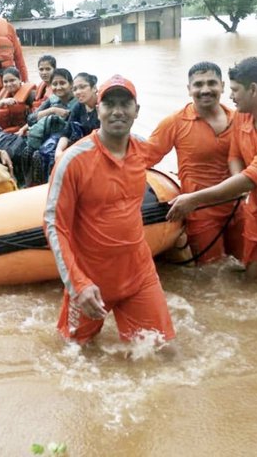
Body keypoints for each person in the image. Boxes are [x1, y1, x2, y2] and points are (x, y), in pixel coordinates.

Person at [44, 74, 175, 346]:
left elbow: (172, 140)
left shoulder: (142, 150)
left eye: (125, 104)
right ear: (98, 109)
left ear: (136, 111)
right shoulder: (73, 160)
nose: (117, 111)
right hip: (91, 277)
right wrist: (77, 284)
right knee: (74, 355)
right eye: (109, 104)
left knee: (159, 352)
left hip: (139, 273)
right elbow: (55, 225)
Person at [166, 57, 257, 279]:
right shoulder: (242, 116)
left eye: (234, 90)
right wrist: (240, 187)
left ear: (252, 89)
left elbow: (252, 177)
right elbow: (235, 155)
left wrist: (193, 199)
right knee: (255, 282)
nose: (230, 96)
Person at [147, 61, 244, 264]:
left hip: (238, 208)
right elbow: (144, 158)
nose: (205, 90)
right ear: (189, 89)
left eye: (212, 83)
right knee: (210, 274)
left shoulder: (241, 119)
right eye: (198, 84)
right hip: (200, 212)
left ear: (223, 86)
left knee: (251, 270)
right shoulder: (174, 122)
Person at [55, 72, 99, 161]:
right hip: (81, 149)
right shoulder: (79, 106)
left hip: (97, 153)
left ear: (94, 88)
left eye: (82, 87)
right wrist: (58, 151)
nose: (78, 92)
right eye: (74, 89)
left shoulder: (103, 107)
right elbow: (67, 132)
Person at [0, 67, 36, 134]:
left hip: (27, 130)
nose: (9, 84)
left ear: (19, 80)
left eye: (12, 80)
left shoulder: (31, 94)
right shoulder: (5, 95)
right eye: (5, 82)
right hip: (10, 130)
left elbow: (38, 115)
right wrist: (2, 102)